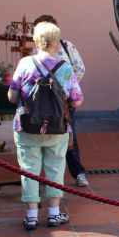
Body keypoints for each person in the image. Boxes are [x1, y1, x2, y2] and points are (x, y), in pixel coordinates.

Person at [8, 21, 83, 230]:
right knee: (55, 168)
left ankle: (31, 216)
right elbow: (77, 100)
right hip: (57, 127)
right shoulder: (65, 68)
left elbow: (12, 95)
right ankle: (53, 214)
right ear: (56, 43)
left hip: (27, 126)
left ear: (36, 41)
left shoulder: (25, 63)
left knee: (28, 170)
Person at [32, 14, 89, 187]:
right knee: (43, 135)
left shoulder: (67, 46)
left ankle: (78, 173)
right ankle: (49, 177)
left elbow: (79, 68)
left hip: (65, 101)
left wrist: (68, 90)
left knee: (69, 136)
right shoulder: (35, 52)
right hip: (43, 101)